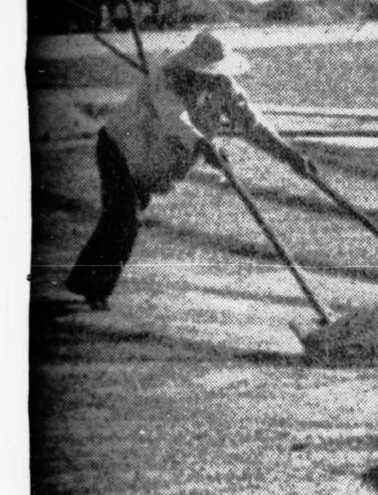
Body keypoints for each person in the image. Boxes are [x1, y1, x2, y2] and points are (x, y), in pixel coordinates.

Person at [62, 30, 315, 310]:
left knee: (119, 220)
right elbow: (175, 118)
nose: (213, 77)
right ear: (192, 66)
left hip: (150, 162)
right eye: (207, 72)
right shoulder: (166, 79)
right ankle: (95, 291)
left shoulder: (223, 86)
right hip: (119, 149)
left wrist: (289, 155)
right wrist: (205, 146)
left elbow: (251, 124)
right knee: (124, 219)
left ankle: (84, 281)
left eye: (217, 73)